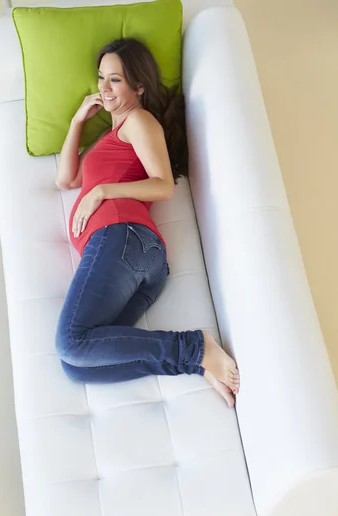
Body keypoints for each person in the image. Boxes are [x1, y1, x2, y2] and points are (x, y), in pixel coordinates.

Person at [55, 37, 240, 407]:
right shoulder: (110, 137)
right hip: (138, 262)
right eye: (101, 79)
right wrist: (77, 120)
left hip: (122, 239)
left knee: (70, 342)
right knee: (80, 365)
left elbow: (164, 186)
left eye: (116, 80)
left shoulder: (138, 121)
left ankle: (194, 346)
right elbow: (66, 179)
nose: (104, 89)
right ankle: (194, 361)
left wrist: (103, 191)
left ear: (139, 86)